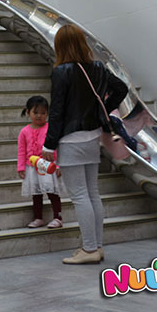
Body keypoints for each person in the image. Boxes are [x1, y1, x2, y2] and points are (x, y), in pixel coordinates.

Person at [41, 24, 127, 265]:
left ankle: (89, 249)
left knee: (79, 195)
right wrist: (102, 110)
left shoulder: (62, 71)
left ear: (60, 46)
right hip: (92, 136)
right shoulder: (98, 68)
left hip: (70, 140)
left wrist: (49, 145)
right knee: (92, 193)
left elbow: (57, 111)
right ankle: (96, 246)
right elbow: (121, 89)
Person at [17, 95, 64, 229]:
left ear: (47, 114)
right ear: (28, 112)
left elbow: (57, 148)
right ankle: (38, 217)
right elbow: (21, 150)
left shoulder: (50, 129)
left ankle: (58, 217)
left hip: (48, 166)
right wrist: (21, 167)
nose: (39, 116)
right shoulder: (24, 132)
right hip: (32, 167)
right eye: (35, 112)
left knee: (52, 192)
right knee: (36, 193)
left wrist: (58, 165)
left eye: (43, 113)